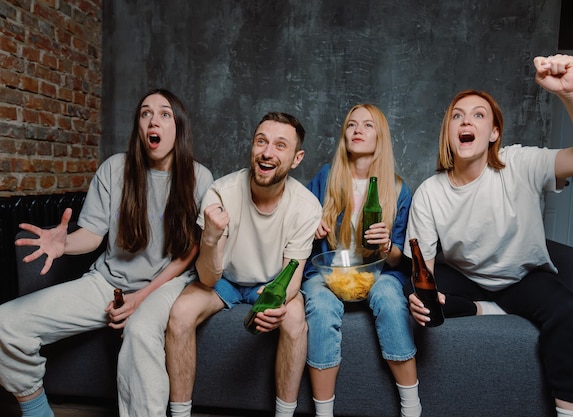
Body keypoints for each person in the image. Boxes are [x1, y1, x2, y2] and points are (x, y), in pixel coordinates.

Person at [405, 54, 573, 417]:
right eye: (457, 116)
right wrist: (422, 298)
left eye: (478, 115)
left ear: (494, 133)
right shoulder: (430, 191)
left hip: (522, 278)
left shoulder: (520, 164)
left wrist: (572, 93)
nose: (466, 121)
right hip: (465, 279)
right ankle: (481, 308)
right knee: (424, 305)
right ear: (449, 132)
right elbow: (420, 267)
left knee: (567, 313)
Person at [0, 88, 213, 417]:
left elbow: (190, 251)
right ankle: (37, 410)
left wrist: (140, 298)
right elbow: (92, 235)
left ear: (178, 127)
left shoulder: (199, 178)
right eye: (145, 113)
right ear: (139, 127)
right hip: (107, 281)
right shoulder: (115, 169)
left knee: (141, 332)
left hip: (165, 285)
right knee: (6, 323)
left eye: (164, 114)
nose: (152, 120)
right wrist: (65, 243)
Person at [163, 111, 322, 417]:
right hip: (224, 279)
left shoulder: (306, 207)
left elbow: (293, 276)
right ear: (252, 146)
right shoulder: (221, 193)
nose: (267, 152)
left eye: (280, 145)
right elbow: (208, 278)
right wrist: (209, 238)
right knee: (180, 313)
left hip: (271, 283)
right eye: (261, 142)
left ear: (296, 158)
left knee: (295, 321)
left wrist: (276, 305)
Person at [302, 104, 418, 417]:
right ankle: (323, 413)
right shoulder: (326, 177)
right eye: (352, 124)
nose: (357, 130)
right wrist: (311, 225)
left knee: (391, 299)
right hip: (327, 272)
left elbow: (399, 262)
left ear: (380, 138)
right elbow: (298, 219)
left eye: (367, 125)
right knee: (321, 306)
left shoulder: (397, 189)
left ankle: (412, 407)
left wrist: (386, 245)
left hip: (377, 273)